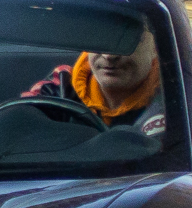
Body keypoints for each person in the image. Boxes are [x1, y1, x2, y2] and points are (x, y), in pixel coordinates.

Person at [19, 20, 167, 136]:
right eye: (100, 38)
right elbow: (18, 121)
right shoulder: (61, 85)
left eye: (127, 41)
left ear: (155, 48)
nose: (110, 55)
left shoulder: (175, 94)